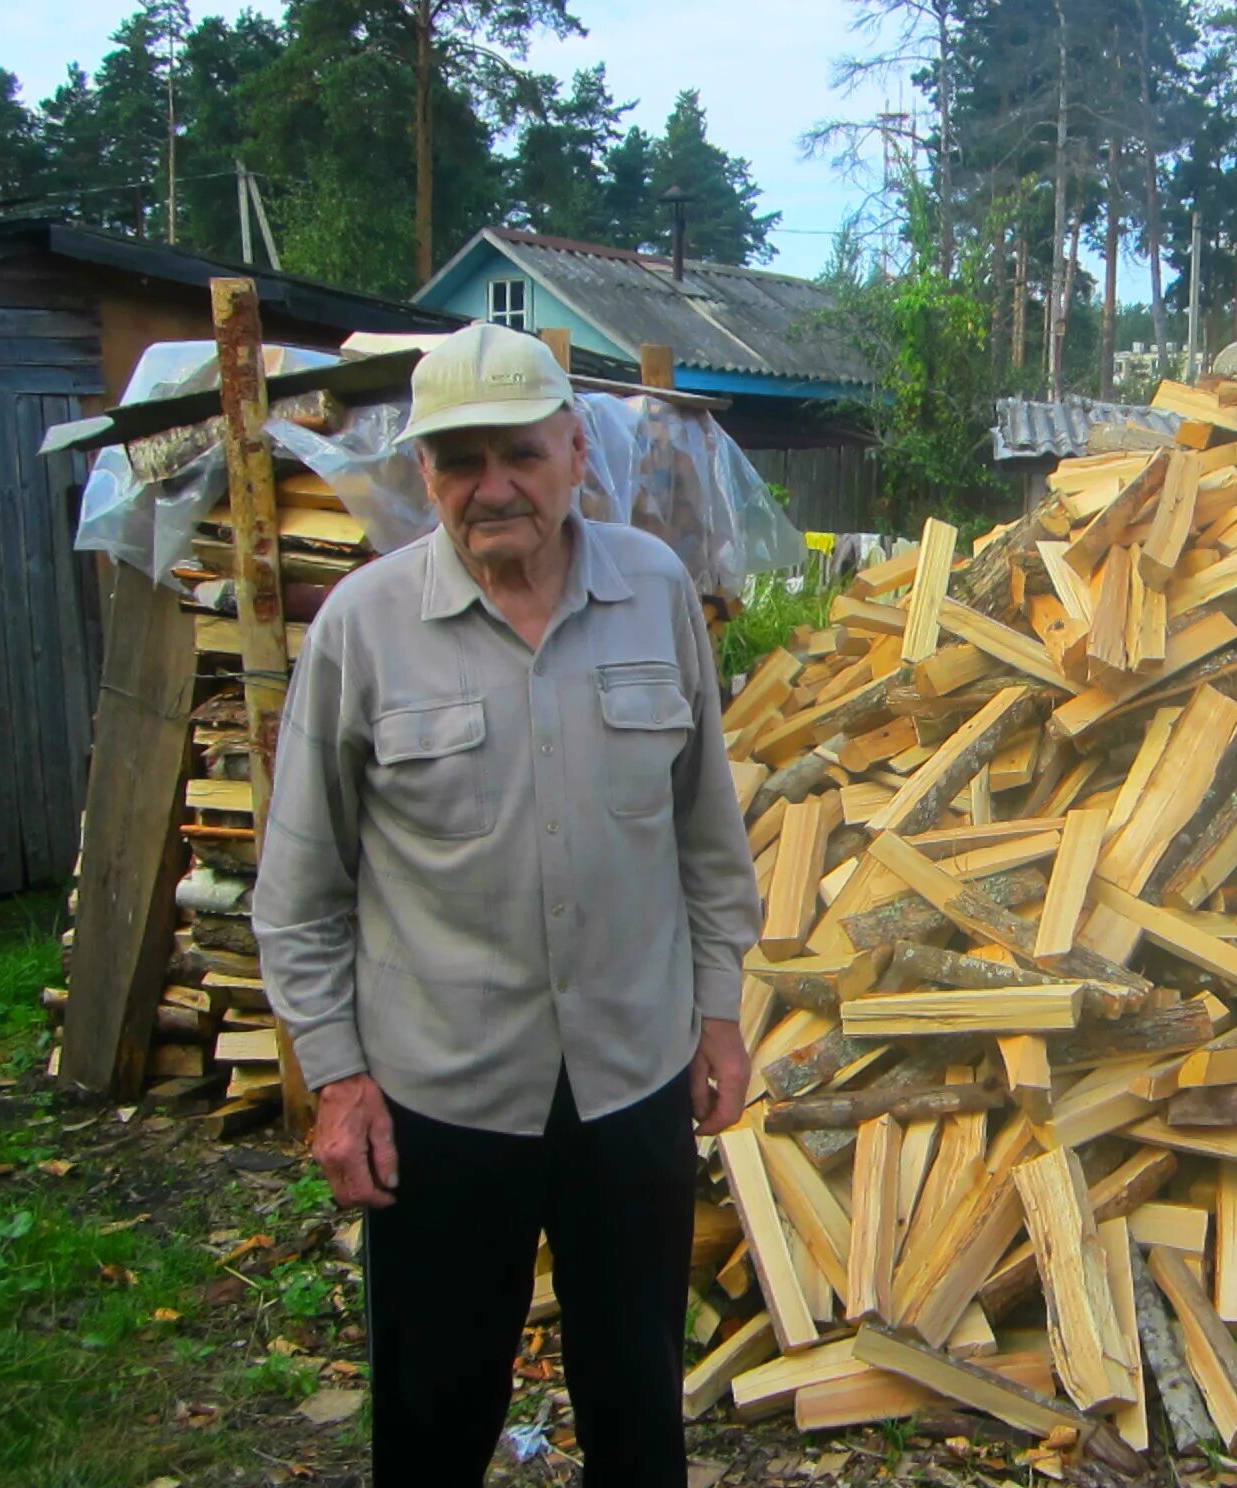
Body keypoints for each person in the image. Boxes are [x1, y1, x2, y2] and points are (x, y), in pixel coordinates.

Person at [253, 321, 760, 1486]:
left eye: (521, 454)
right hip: (442, 1099)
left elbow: (707, 831)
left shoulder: (656, 591)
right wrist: (337, 1081)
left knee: (638, 1408)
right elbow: (300, 884)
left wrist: (720, 1011)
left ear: (578, 450)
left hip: (631, 1083)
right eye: (458, 460)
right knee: (434, 1414)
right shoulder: (362, 629)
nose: (493, 489)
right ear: (420, 472)